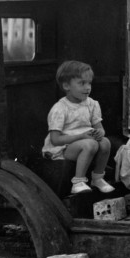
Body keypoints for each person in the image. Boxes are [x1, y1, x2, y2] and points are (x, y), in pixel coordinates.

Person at [41, 60, 114, 195]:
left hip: (85, 141)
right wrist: (81, 136)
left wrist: (99, 133)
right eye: (82, 83)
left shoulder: (91, 104)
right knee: (89, 145)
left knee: (105, 143)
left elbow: (101, 128)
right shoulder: (60, 108)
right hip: (63, 149)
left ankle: (97, 178)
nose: (87, 87)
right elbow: (55, 140)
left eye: (89, 83)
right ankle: (78, 182)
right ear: (66, 85)